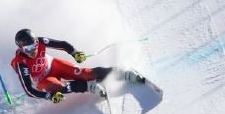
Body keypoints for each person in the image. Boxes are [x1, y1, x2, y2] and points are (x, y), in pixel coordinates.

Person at [11, 28, 143, 103]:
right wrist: (49, 96)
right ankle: (89, 86)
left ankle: (122, 73)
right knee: (58, 88)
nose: (33, 50)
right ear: (21, 48)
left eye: (34, 45)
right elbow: (28, 90)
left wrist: (74, 53)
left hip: (52, 64)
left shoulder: (40, 41)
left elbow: (62, 44)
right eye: (28, 48)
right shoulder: (21, 63)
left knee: (85, 73)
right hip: (42, 79)